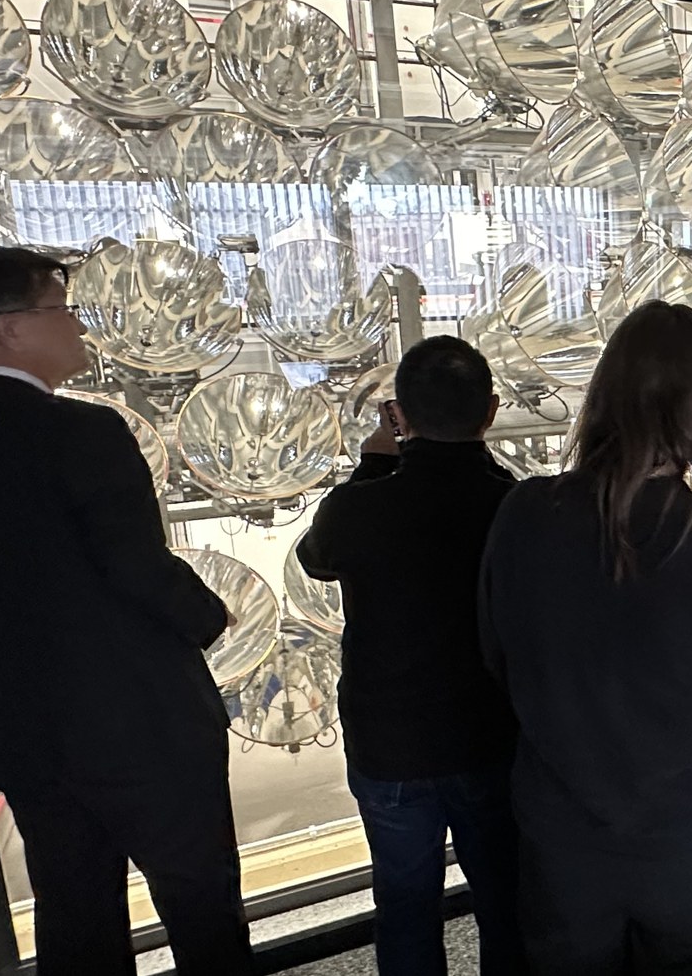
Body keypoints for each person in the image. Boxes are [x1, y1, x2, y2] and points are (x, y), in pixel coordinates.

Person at [0, 247, 252, 976]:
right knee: (200, 903)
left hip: (21, 724)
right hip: (137, 714)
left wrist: (9, 634)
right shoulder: (86, 432)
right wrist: (209, 615)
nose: (77, 323)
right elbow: (136, 564)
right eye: (59, 306)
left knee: (75, 914)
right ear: (9, 327)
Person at [477, 301, 692, 976]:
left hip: (560, 843)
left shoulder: (524, 513)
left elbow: (496, 660)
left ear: (605, 396)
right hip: (690, 851)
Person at [296, 336, 524, 976]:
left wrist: (371, 466)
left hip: (390, 740)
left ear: (399, 416)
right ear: (491, 411)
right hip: (488, 737)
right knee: (506, 899)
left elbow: (316, 561)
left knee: (403, 902)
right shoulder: (510, 503)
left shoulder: (359, 504)